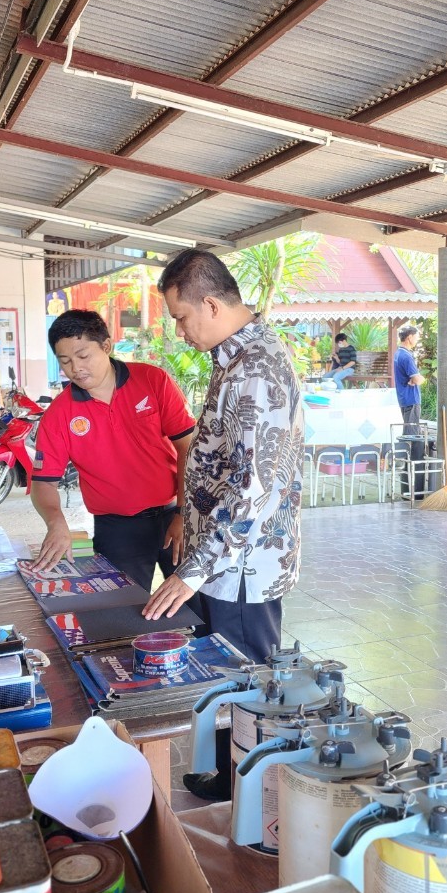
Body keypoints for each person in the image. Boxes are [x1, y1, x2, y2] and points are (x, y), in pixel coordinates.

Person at [142, 248, 304, 802]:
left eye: (182, 317)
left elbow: (253, 488)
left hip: (240, 566)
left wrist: (192, 571)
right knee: (226, 675)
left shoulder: (255, 369)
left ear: (211, 305)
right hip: (225, 560)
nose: (180, 331)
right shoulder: (235, 359)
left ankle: (252, 795)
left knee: (248, 679)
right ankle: (227, 774)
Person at [19, 310, 195, 592]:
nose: (76, 368)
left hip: (174, 514)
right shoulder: (59, 414)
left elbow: (188, 447)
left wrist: (184, 513)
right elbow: (43, 482)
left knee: (196, 602)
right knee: (121, 607)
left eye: (83, 356)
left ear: (106, 346)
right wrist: (56, 522)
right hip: (117, 530)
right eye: (65, 361)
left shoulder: (153, 381)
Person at [393, 325, 428, 496]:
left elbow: (414, 379)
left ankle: (409, 473)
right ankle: (414, 480)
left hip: (404, 399)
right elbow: (418, 379)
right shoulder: (406, 356)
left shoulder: (398, 354)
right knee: (413, 438)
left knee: (411, 434)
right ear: (409, 337)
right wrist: (420, 379)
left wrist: (415, 379)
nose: (417, 339)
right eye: (416, 336)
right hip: (411, 400)